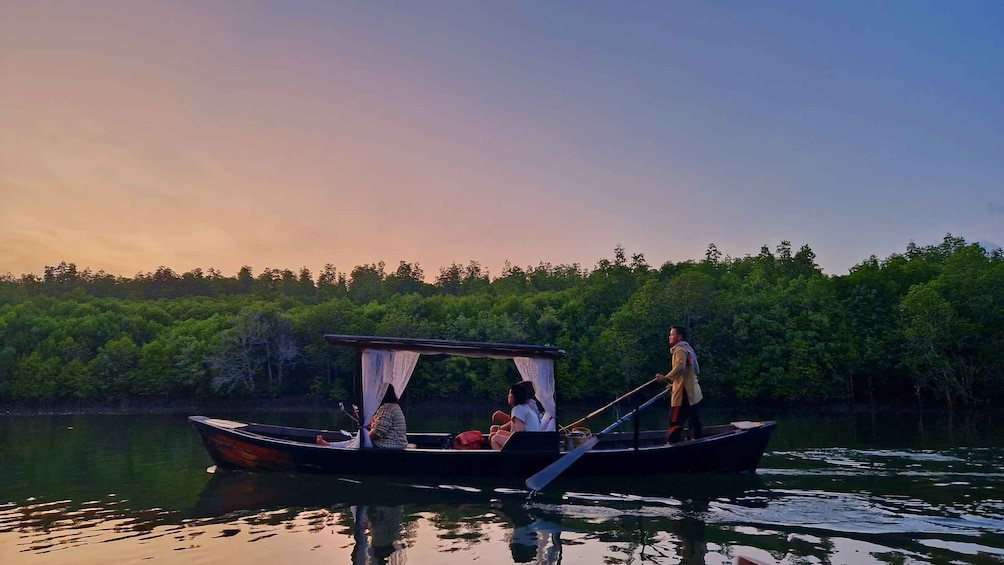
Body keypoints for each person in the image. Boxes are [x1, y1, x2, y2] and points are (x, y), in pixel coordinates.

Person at [318, 384, 408, 449]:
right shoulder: (390, 407)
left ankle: (331, 447)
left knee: (357, 441)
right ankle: (330, 445)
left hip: (390, 445)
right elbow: (375, 425)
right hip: (391, 443)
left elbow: (378, 432)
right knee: (355, 440)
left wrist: (362, 439)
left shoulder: (387, 408)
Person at [655, 325, 703, 443]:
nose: (669, 337)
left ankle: (672, 444)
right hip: (692, 391)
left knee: (675, 420)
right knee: (694, 418)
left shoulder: (679, 349)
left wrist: (666, 378)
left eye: (672, 334)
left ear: (679, 337)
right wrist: (674, 384)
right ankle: (696, 439)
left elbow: (680, 367)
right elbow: (687, 372)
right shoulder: (687, 348)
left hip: (684, 393)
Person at [490, 383, 541, 450]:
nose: (508, 396)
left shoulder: (518, 409)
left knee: (495, 439)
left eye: (510, 394)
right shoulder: (525, 407)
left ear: (515, 396)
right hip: (532, 441)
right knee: (499, 433)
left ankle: (502, 459)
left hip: (527, 445)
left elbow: (519, 433)